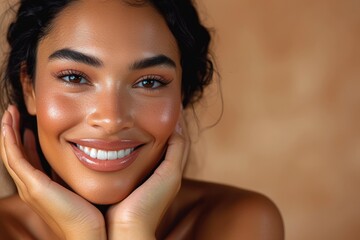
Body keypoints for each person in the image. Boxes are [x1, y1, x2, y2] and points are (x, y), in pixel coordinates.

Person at [0, 0, 284, 239]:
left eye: (148, 82)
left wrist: (131, 229)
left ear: (182, 93)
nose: (112, 119)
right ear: (29, 88)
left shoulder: (242, 223)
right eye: (74, 77)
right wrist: (82, 230)